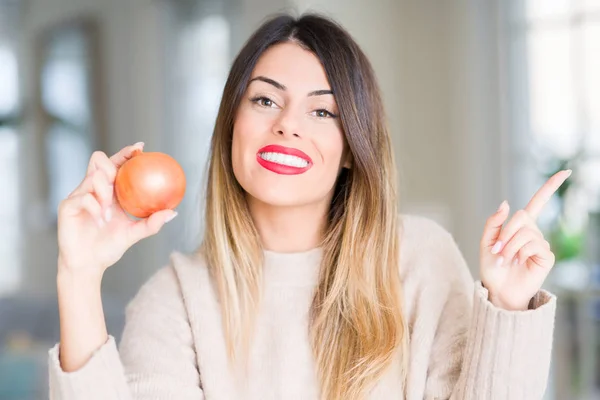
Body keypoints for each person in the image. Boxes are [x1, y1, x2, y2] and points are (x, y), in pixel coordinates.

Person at [48, 13, 569, 400]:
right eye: (265, 100)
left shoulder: (421, 257)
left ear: (351, 150)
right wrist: (79, 274)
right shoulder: (175, 300)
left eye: (323, 110)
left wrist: (507, 307)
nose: (289, 124)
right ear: (232, 124)